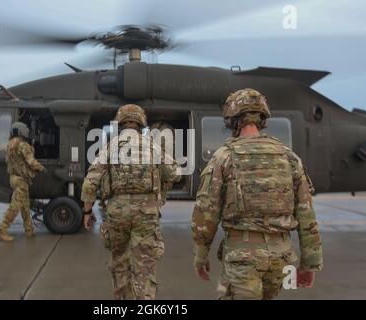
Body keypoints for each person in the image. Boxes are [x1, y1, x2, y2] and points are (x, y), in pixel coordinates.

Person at [191, 88, 323, 300]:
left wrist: (200, 256)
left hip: (243, 258)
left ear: (232, 120)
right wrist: (310, 264)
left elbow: (206, 212)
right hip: (282, 258)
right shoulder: (289, 157)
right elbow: (307, 215)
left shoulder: (223, 157)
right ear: (263, 119)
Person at [81, 104, 180, 299]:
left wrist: (87, 212)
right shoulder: (152, 145)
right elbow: (175, 173)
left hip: (117, 212)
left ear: (120, 123)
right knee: (145, 266)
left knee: (119, 262)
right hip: (147, 213)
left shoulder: (110, 147)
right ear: (141, 124)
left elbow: (90, 183)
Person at [0, 122, 45, 242]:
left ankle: (29, 230)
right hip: (21, 180)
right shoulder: (23, 146)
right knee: (15, 206)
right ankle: (2, 230)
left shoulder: (10, 145)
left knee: (25, 206)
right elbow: (31, 162)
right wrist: (41, 168)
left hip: (13, 178)